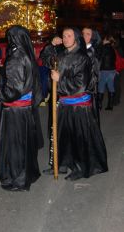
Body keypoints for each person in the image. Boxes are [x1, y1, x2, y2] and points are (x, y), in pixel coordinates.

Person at [41, 27, 108, 180]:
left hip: (78, 105)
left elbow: (80, 85)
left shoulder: (82, 57)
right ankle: (60, 165)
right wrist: (51, 45)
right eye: (64, 35)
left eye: (69, 36)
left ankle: (80, 167)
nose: (65, 38)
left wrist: (60, 80)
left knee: (77, 138)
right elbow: (46, 61)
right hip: (64, 104)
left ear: (76, 38)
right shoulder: (61, 54)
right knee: (61, 136)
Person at [0, 25, 43, 191]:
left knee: (14, 146)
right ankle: (27, 174)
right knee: (23, 144)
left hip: (15, 111)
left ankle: (17, 180)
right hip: (25, 110)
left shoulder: (16, 58)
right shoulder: (27, 54)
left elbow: (14, 89)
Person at [82, 26, 102, 123]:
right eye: (83, 33)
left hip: (87, 90)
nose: (84, 36)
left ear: (93, 38)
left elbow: (95, 75)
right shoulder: (81, 49)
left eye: (87, 34)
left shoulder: (92, 53)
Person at [98, 34, 117, 111]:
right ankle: (110, 106)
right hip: (112, 70)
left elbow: (99, 58)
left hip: (104, 70)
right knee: (111, 87)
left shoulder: (103, 48)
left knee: (101, 87)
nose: (102, 40)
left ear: (106, 40)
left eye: (104, 39)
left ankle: (99, 106)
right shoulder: (112, 48)